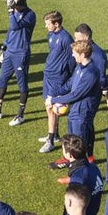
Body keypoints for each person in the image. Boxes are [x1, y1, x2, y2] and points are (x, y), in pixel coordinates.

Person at [0, 0, 36, 126]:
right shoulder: (16, 13)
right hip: (10, 52)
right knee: (1, 80)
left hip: (20, 53)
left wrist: (10, 11)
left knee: (22, 84)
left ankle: (20, 115)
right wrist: (3, 47)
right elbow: (11, 31)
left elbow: (15, 26)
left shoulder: (30, 15)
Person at [46, 41, 101, 161]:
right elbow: (69, 84)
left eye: (74, 53)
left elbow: (77, 94)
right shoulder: (79, 67)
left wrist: (55, 100)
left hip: (83, 111)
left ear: (82, 55)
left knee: (79, 142)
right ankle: (69, 160)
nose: (72, 55)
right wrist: (53, 94)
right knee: (72, 138)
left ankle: (82, 165)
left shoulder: (91, 73)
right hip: (75, 110)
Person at [38, 12, 75, 152]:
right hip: (48, 75)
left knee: (50, 108)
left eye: (48, 24)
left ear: (56, 24)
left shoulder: (66, 38)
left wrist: (68, 77)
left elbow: (72, 60)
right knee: (47, 106)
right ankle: (56, 134)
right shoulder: (50, 35)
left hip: (58, 78)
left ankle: (51, 140)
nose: (45, 26)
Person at [73, 23, 108, 157]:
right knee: (84, 125)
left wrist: (104, 89)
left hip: (90, 96)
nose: (75, 41)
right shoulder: (83, 50)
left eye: (77, 38)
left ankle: (86, 157)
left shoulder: (98, 55)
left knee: (84, 125)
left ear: (86, 38)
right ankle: (81, 155)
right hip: (82, 93)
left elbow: (101, 78)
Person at [55, 135, 104, 215]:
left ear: (69, 155)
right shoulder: (93, 168)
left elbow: (73, 208)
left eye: (62, 149)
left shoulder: (78, 180)